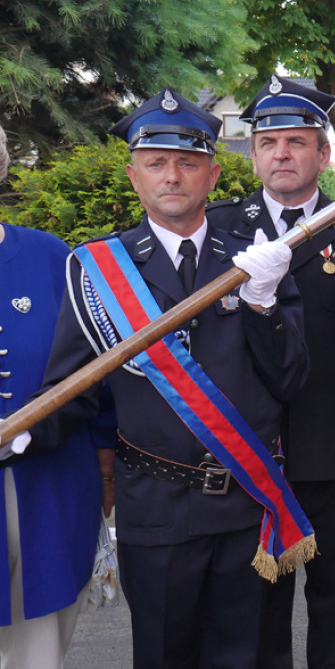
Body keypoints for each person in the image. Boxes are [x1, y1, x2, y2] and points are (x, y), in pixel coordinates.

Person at [6, 89, 310, 668]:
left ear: (214, 173)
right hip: (156, 507)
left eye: (188, 162)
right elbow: (74, 390)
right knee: (165, 657)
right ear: (133, 174)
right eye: (156, 162)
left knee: (248, 657)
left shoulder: (257, 258)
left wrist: (264, 304)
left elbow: (291, 379)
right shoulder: (98, 268)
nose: (173, 176)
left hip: (247, 499)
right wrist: (21, 434)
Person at [208, 75, 335, 669]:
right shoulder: (220, 232)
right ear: (253, 156)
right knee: (259, 608)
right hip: (249, 452)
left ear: (323, 154)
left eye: (297, 142)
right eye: (269, 144)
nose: (281, 154)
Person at [0, 123, 116, 668]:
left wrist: (107, 467)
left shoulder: (51, 258)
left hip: (50, 489)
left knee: (37, 652)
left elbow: (92, 374)